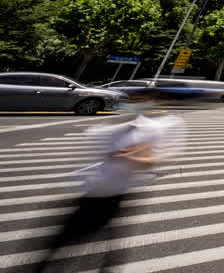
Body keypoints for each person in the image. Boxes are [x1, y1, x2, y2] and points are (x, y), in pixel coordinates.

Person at [33, 92, 184, 273]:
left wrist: (131, 156)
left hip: (112, 194)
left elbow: (149, 161)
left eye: (141, 100)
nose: (136, 104)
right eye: (134, 100)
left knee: (69, 243)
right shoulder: (107, 128)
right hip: (90, 191)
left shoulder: (149, 129)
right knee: (69, 242)